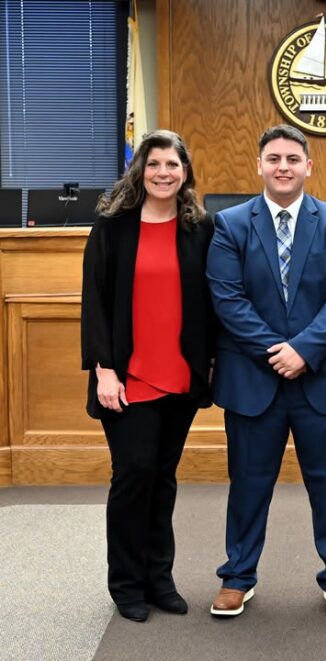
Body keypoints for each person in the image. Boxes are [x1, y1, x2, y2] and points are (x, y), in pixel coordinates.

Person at [206, 124, 326, 620]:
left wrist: (303, 351)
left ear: (308, 166)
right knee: (249, 482)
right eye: (273, 158)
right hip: (254, 379)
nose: (283, 166)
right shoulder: (229, 224)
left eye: (292, 159)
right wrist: (278, 351)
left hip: (323, 378)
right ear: (259, 165)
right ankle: (238, 576)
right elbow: (226, 298)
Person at [81, 129, 216, 622]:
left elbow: (211, 301)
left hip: (180, 375)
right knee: (133, 476)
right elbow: (94, 303)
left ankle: (160, 579)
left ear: (186, 174)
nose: (164, 173)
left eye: (173, 165)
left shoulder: (200, 228)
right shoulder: (112, 227)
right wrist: (103, 371)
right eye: (155, 164)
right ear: (140, 169)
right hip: (127, 376)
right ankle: (126, 584)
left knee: (163, 479)